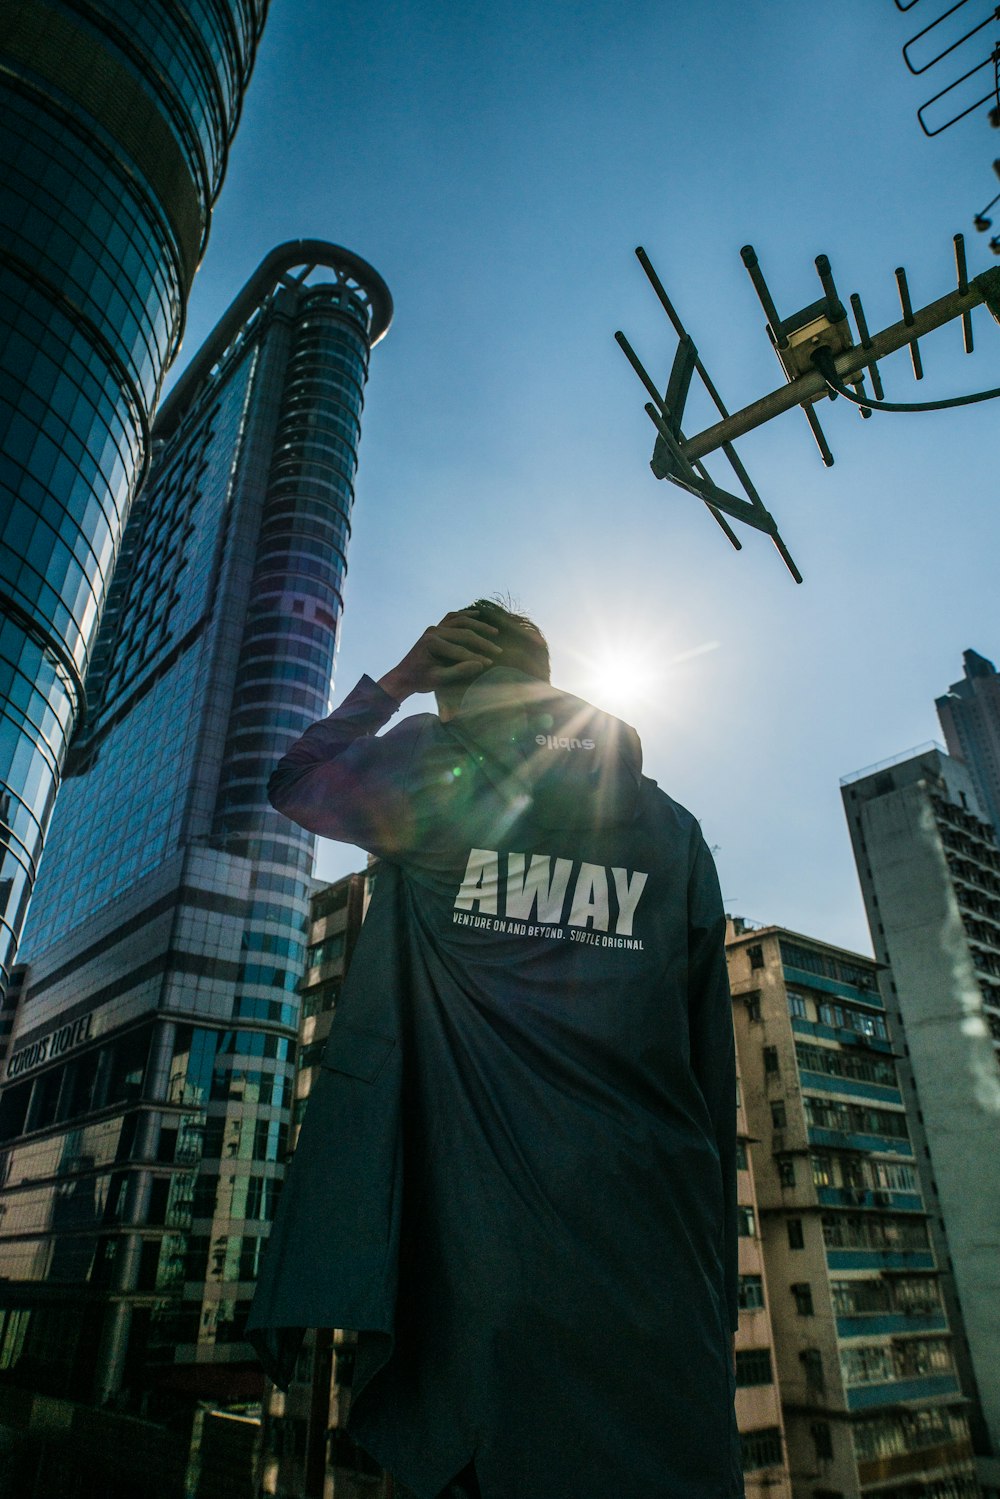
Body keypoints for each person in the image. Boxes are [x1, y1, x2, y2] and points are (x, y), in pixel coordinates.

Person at [246, 600, 743, 1499]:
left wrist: (395, 682)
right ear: (547, 681)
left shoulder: (436, 775)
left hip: (484, 1278)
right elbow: (714, 1069)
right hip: (660, 1269)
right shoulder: (675, 832)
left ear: (453, 693)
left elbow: (292, 775)